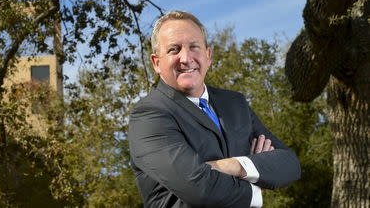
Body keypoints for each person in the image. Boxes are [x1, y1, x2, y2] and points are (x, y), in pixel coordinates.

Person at [128, 11, 301, 207]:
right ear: (156, 62)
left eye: (194, 47)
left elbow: (289, 164)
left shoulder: (235, 103)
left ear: (208, 55)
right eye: (174, 50)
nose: (185, 58)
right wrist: (257, 182)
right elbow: (200, 189)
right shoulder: (148, 116)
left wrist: (235, 166)